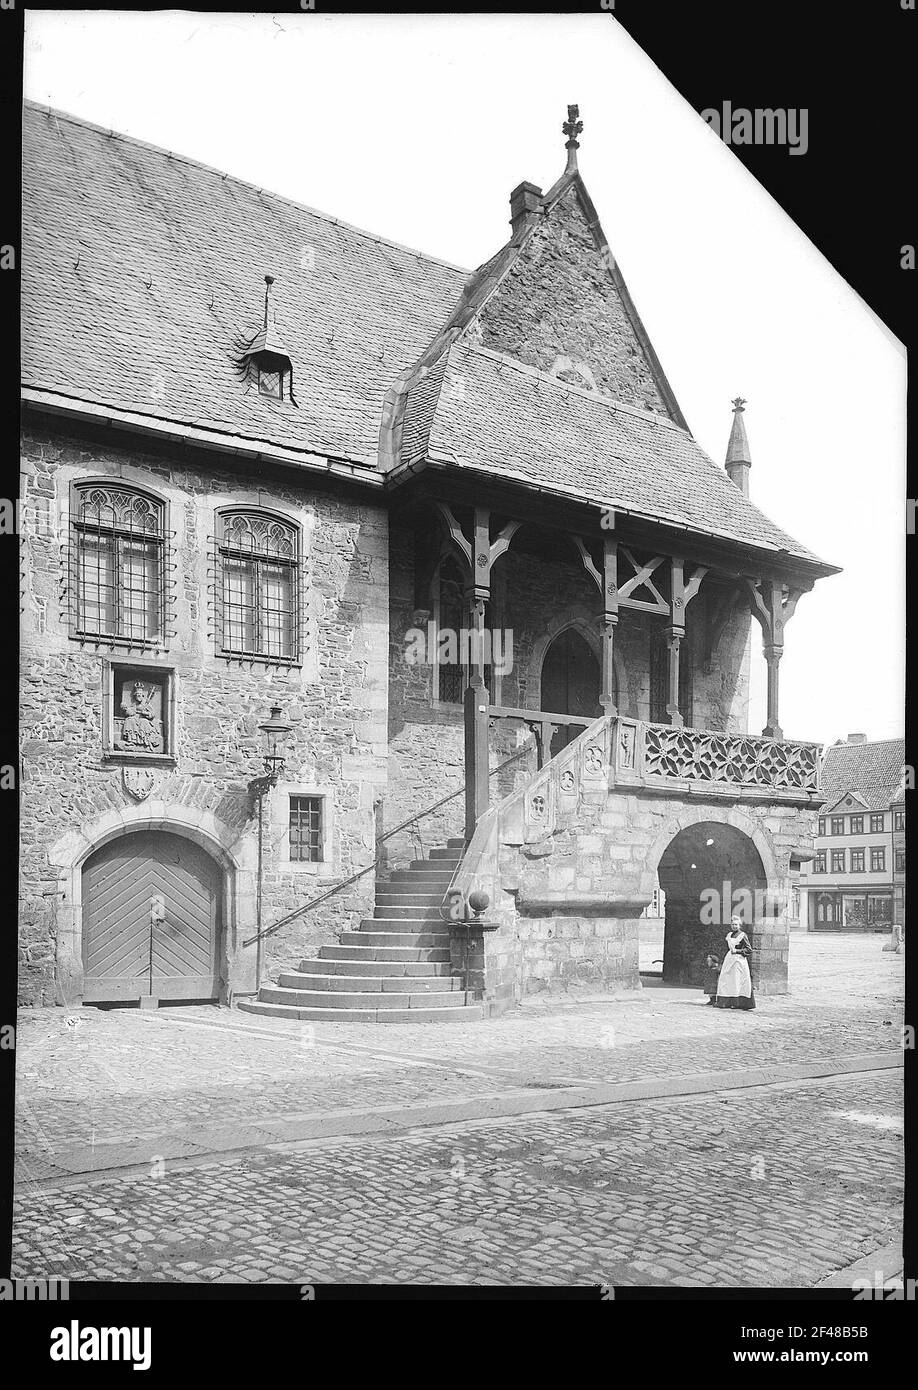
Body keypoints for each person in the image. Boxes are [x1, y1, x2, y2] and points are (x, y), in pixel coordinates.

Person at [712, 915, 756, 1010]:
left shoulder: (742, 935)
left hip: (738, 961)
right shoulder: (729, 935)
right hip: (729, 959)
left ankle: (737, 1003)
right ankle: (724, 1002)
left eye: (736, 924)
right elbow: (727, 948)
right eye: (732, 924)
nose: (734, 926)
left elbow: (749, 949)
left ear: (739, 925)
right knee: (726, 979)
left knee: (737, 980)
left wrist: (737, 951)